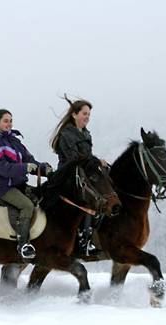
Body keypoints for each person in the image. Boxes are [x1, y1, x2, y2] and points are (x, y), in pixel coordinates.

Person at [0, 109, 52, 260]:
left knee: (43, 198)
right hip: (4, 188)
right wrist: (24, 168)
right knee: (27, 205)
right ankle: (23, 245)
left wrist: (43, 169)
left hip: (20, 185)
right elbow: (1, 168)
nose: (9, 124)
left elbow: (29, 160)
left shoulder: (14, 141)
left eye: (10, 121)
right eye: (5, 121)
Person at [50, 95, 107, 256]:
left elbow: (86, 157)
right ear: (74, 114)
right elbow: (74, 158)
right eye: (84, 114)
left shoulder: (86, 134)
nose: (87, 117)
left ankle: (93, 236)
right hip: (68, 176)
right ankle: (82, 241)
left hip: (83, 174)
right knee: (89, 198)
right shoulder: (66, 134)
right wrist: (95, 161)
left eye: (89, 114)